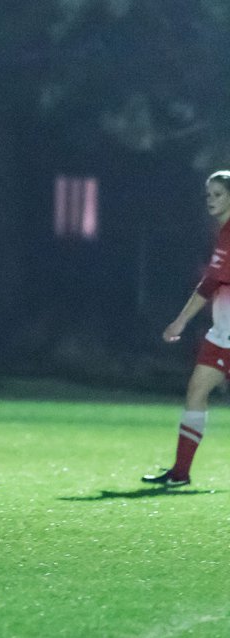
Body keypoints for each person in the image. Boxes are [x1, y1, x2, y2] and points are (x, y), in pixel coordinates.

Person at [143, 170, 230, 488]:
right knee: (196, 391)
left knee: (197, 391)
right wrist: (181, 321)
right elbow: (212, 282)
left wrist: (181, 321)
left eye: (218, 194)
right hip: (222, 334)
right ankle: (181, 472)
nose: (211, 200)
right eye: (208, 194)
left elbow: (210, 283)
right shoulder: (222, 233)